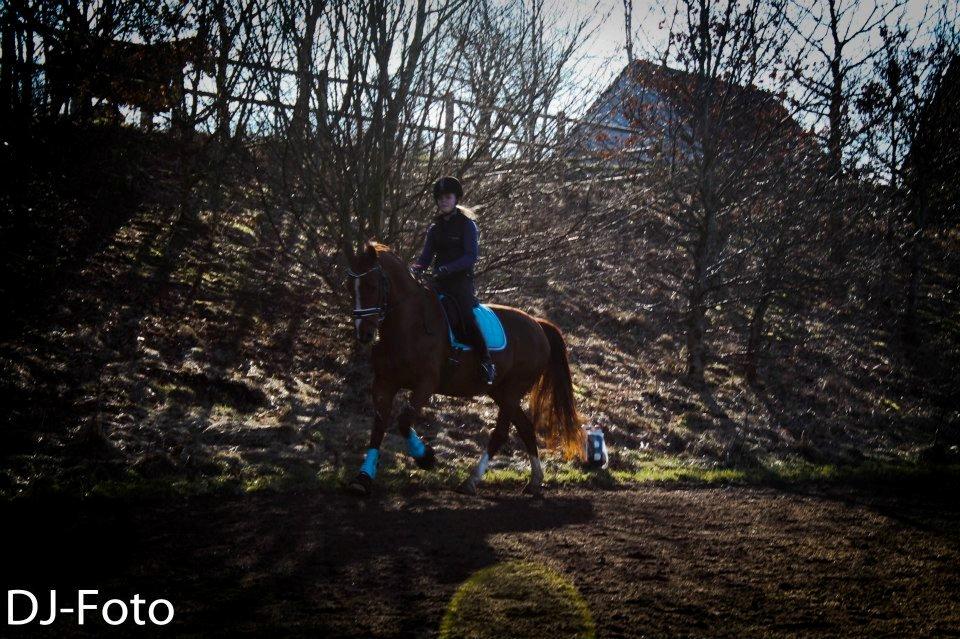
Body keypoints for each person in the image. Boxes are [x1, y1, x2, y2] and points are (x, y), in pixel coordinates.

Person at [411, 176, 496, 385]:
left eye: (447, 197)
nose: (443, 201)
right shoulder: (435, 228)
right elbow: (425, 258)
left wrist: (448, 268)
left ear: (456, 199)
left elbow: (470, 256)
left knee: (465, 316)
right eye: (440, 198)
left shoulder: (467, 226)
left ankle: (486, 361)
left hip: (460, 283)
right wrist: (414, 269)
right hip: (438, 281)